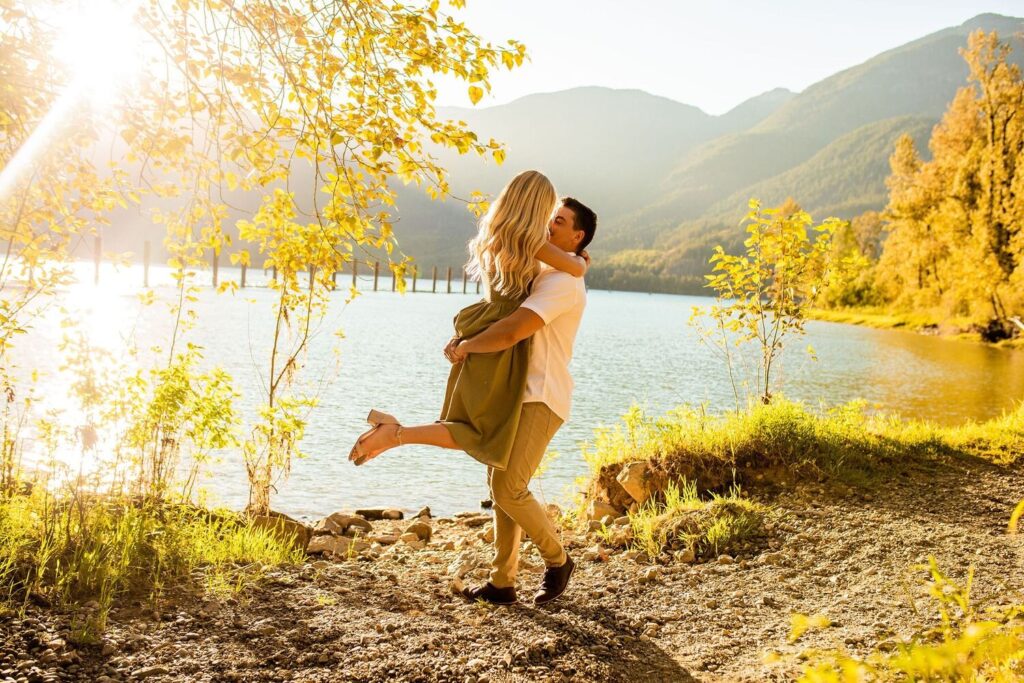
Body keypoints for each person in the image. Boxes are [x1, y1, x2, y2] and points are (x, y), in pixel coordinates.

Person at [350, 173, 597, 606]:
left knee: (508, 488)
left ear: (577, 235)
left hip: (542, 394)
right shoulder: (542, 265)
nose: (549, 225)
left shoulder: (563, 282)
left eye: (558, 222)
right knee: (493, 474)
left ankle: (558, 560)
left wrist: (467, 346)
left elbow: (513, 330)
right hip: (510, 384)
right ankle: (503, 583)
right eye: (548, 217)